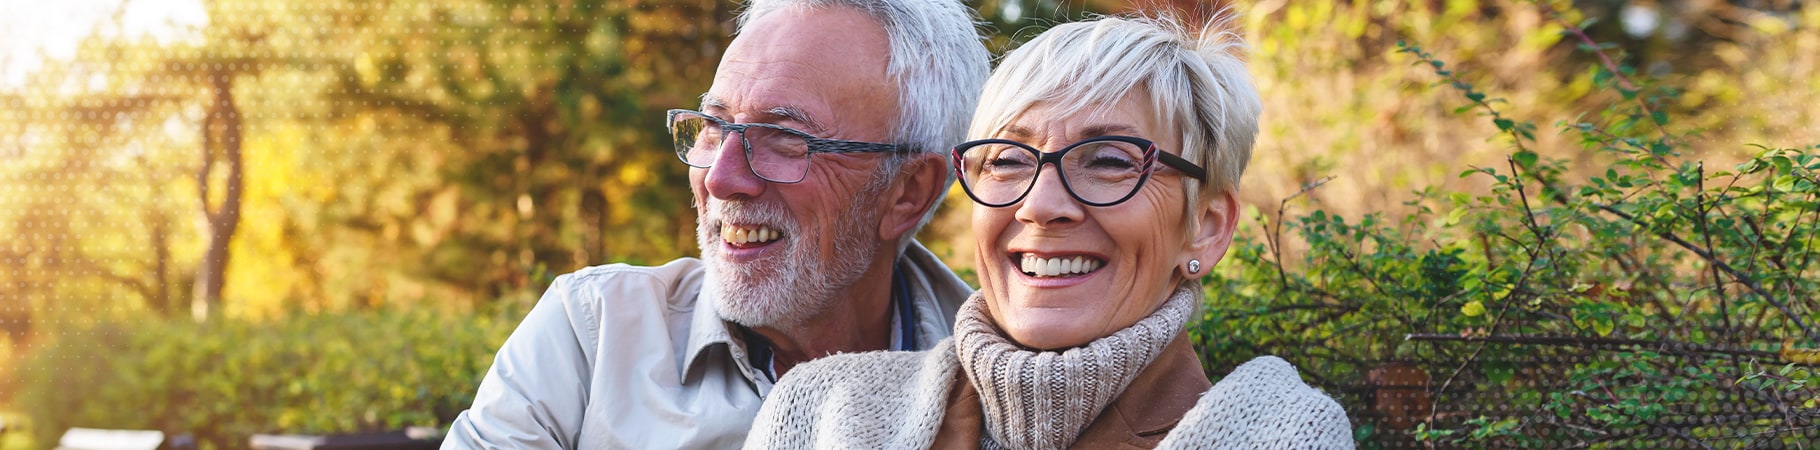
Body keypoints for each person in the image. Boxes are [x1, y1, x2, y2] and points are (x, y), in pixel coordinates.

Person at [744, 13, 1354, 449]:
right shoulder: (821, 412)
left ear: (1206, 227)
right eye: (1007, 160)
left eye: (1111, 160)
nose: (1041, 206)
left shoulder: (1279, 434)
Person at [441, 0, 989, 448]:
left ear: (907, 193)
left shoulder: (1000, 385)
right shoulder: (591, 333)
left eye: (785, 138)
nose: (721, 178)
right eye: (712, 126)